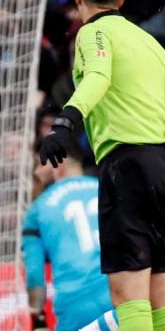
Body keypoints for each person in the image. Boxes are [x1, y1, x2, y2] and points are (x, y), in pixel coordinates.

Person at [38, 0, 165, 331]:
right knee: (160, 296)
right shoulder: (151, 42)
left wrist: (64, 121)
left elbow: (98, 76)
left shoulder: (93, 34)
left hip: (128, 164)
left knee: (128, 294)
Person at [24, 140, 117, 331]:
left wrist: (38, 315)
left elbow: (34, 274)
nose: (36, 173)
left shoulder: (36, 210)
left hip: (75, 304)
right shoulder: (110, 189)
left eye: (40, 164)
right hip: (120, 293)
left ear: (59, 163)